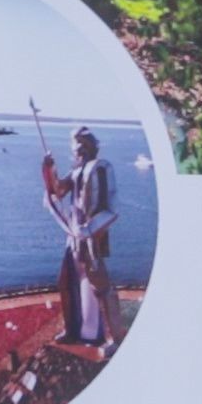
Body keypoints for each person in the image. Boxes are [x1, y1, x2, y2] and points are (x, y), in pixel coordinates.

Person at [41, 126, 124, 355]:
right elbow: (58, 191)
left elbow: (112, 209)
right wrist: (49, 170)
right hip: (74, 238)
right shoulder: (77, 171)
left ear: (91, 145)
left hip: (90, 239)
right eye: (76, 142)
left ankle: (115, 339)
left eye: (83, 142)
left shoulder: (101, 168)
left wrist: (88, 230)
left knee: (102, 288)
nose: (78, 147)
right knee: (67, 283)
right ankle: (73, 330)